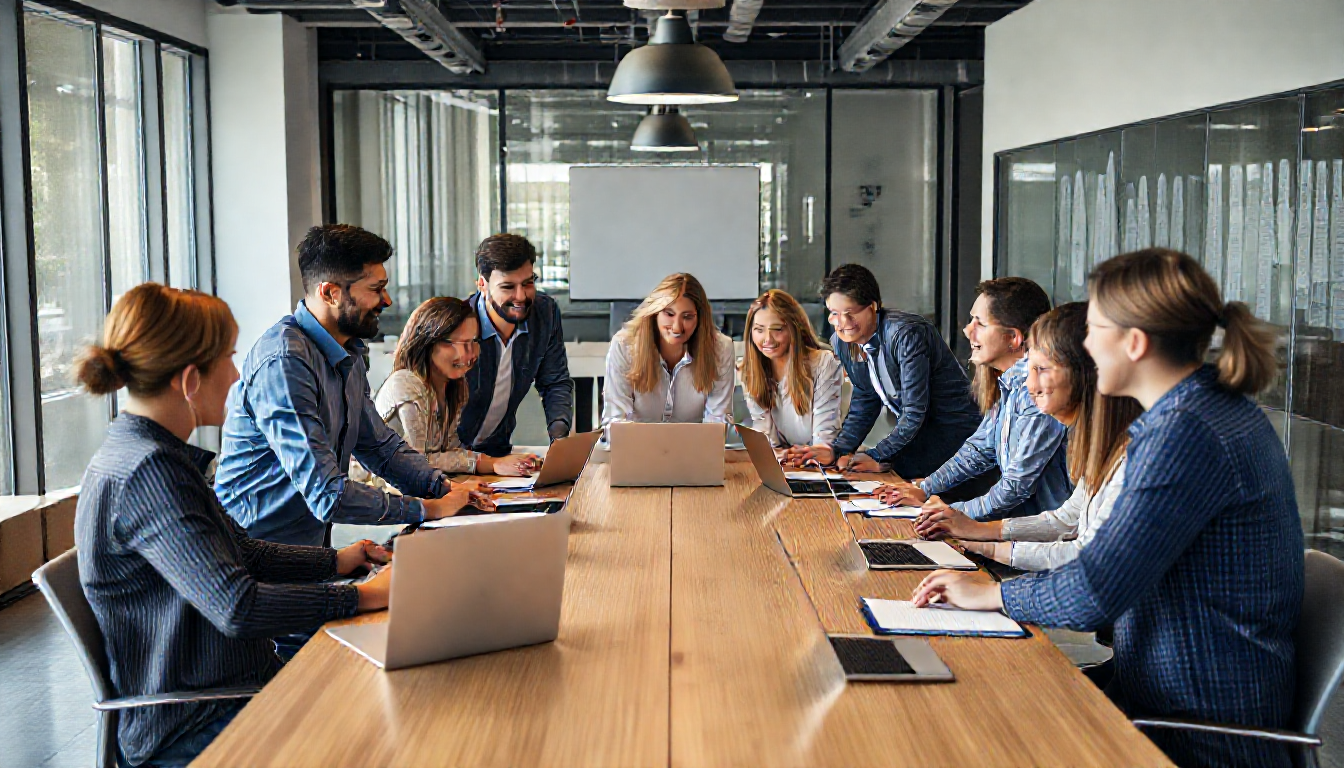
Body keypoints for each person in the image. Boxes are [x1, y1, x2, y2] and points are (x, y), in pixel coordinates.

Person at [912, 249, 1303, 768]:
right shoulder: (1197, 412)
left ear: (1134, 344)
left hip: (1197, 726)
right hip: (1162, 689)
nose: (1088, 348)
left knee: (974, 728)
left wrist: (987, 593)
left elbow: (1093, 591)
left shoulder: (1185, 435)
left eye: (1094, 330)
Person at [74, 284, 394, 768]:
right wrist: (364, 596)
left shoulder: (156, 456)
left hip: (232, 692)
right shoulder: (149, 472)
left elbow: (244, 553)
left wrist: (339, 560)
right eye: (226, 359)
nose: (237, 375)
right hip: (199, 722)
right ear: (188, 380)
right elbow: (239, 607)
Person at [215, 224, 490, 549]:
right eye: (376, 289)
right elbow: (326, 493)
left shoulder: (347, 351)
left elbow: (379, 447)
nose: (386, 300)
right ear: (330, 292)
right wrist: (426, 509)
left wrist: (443, 488)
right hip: (255, 556)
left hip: (309, 552)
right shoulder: (285, 361)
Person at [913, 302, 1142, 572]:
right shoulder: (1099, 443)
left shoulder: (1132, 456)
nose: (1031, 386)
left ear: (1088, 373)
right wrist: (974, 532)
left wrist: (985, 552)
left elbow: (1086, 555)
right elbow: (1067, 519)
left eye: (1041, 369)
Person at [880, 277, 1071, 521]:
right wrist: (923, 489)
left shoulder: (1035, 393)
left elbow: (1014, 488)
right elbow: (978, 451)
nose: (967, 330)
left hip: (1041, 543)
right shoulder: (1009, 384)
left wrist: (949, 512)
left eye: (979, 323)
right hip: (1018, 534)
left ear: (1013, 338)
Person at [352, 297, 540, 483]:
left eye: (473, 341)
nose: (468, 354)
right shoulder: (406, 383)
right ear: (427, 342)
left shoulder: (454, 386)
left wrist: (497, 463)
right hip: (376, 492)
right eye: (454, 343)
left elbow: (448, 452)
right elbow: (415, 462)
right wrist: (489, 463)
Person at [820, 264, 980, 478]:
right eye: (834, 313)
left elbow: (914, 413)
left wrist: (878, 456)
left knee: (884, 482)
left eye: (850, 313)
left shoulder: (906, 334)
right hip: (919, 439)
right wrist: (838, 449)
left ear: (873, 306)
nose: (843, 323)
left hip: (956, 438)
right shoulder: (843, 342)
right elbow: (866, 398)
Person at [459, 234, 574, 457]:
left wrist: (559, 437)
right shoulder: (456, 325)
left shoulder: (544, 312)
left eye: (528, 283)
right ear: (482, 284)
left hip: (497, 452)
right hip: (449, 459)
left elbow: (555, 382)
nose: (521, 296)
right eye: (508, 287)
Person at [602, 272, 735, 426]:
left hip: (694, 446)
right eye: (669, 314)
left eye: (687, 317)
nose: (677, 327)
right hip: (638, 446)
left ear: (700, 319)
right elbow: (616, 421)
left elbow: (717, 423)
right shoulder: (624, 346)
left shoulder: (721, 349)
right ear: (655, 313)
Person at [739, 289, 843, 466]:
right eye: (759, 330)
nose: (767, 340)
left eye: (777, 329)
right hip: (787, 463)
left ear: (794, 328)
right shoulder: (749, 370)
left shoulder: (823, 363)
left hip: (823, 462)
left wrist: (804, 456)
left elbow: (824, 438)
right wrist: (777, 455)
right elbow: (765, 436)